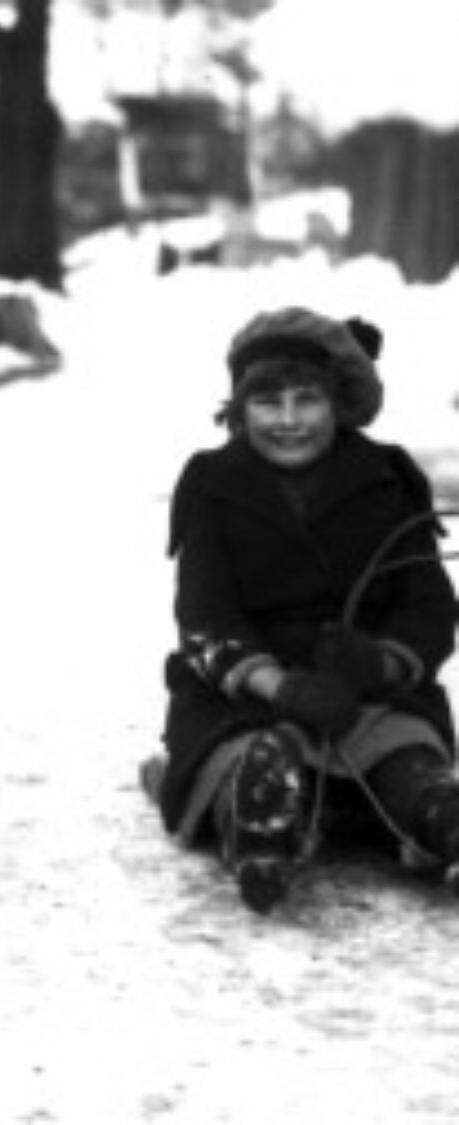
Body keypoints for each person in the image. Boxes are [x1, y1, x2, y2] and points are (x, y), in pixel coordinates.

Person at [149, 306, 459, 914]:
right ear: (239, 411)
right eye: (268, 403)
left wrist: (381, 663)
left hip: (367, 693)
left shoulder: (387, 480)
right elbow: (205, 619)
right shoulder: (213, 484)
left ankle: (440, 821)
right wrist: (279, 685)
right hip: (245, 698)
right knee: (247, 756)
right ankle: (260, 828)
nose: (289, 421)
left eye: (306, 401)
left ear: (336, 403)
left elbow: (428, 607)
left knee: (405, 761)